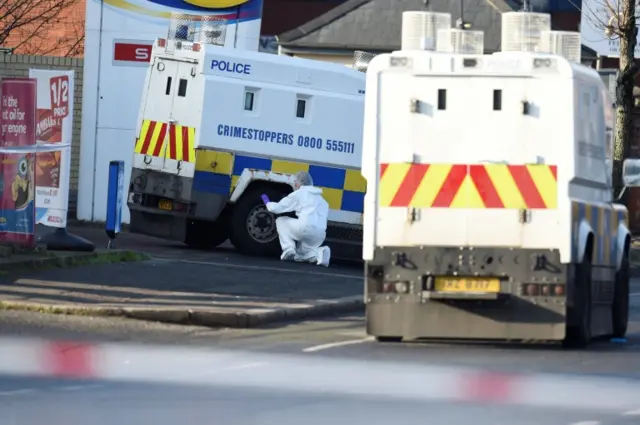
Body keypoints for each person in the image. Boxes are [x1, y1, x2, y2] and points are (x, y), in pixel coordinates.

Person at [265, 171, 331, 267]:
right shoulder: (322, 200)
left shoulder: (300, 193)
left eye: (295, 182)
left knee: (281, 221)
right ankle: (320, 253)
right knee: (302, 254)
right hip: (319, 234)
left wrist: (267, 203)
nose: (295, 184)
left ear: (300, 182)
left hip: (305, 228)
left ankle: (288, 249)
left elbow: (278, 208)